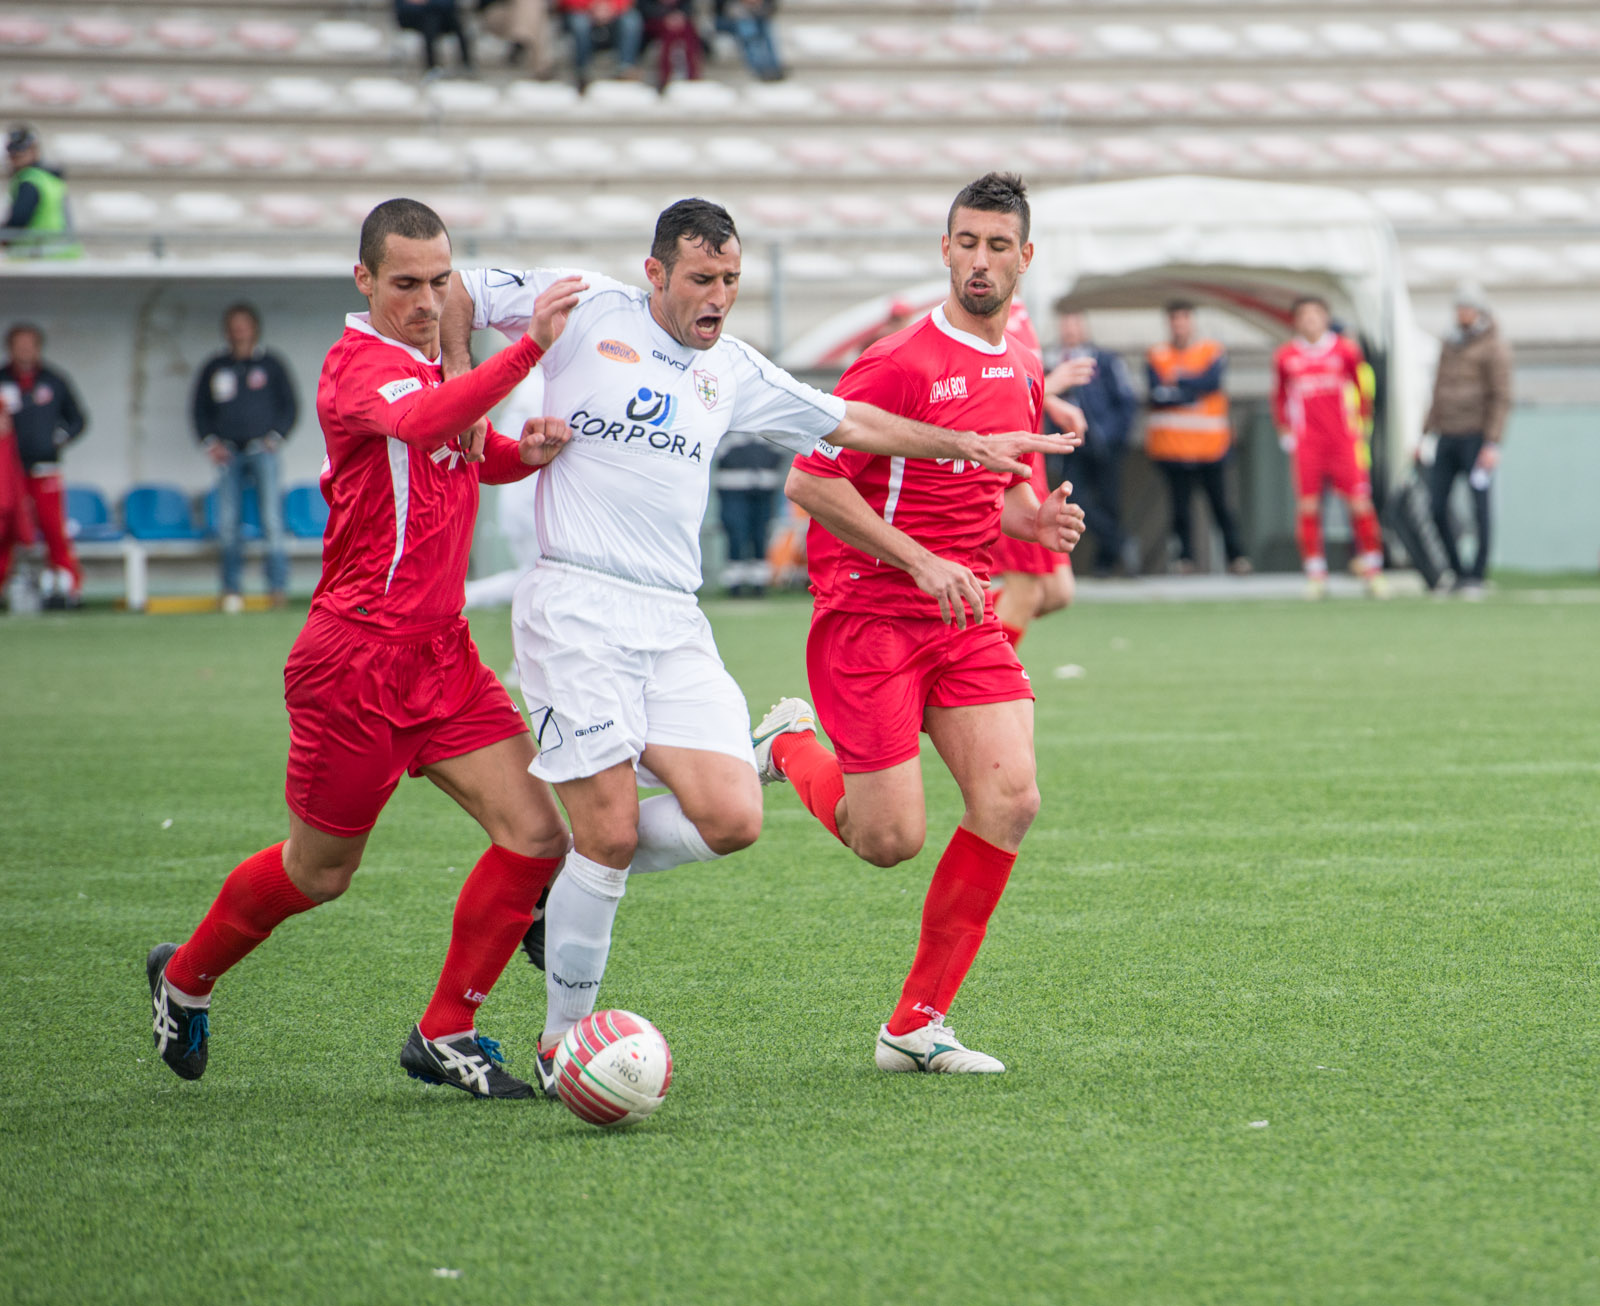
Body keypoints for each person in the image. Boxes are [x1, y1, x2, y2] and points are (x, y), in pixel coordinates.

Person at [442, 196, 1080, 1094]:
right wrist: (467, 392)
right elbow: (459, 288)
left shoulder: (732, 369)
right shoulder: (589, 307)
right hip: (590, 602)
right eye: (703, 280)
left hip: (682, 615)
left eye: (732, 281)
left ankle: (911, 1015)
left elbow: (849, 427)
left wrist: (978, 457)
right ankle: (564, 1042)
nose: (719, 298)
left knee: (744, 820)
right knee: (622, 833)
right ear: (657, 273)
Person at [146, 198, 587, 1100]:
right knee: (321, 872)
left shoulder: (433, 366)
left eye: (438, 281)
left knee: (539, 832)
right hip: (355, 664)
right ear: (364, 281)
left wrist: (522, 454)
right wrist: (529, 350)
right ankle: (184, 977)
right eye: (405, 284)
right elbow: (426, 426)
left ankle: (447, 1029)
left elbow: (460, 448)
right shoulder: (357, 368)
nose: (427, 301)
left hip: (441, 654)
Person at [753, 173, 1088, 1075]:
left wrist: (1035, 520)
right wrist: (918, 559)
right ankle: (789, 741)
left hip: (965, 616)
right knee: (888, 840)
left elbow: (991, 498)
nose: (980, 261)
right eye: (966, 243)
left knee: (1012, 800)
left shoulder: (1020, 359)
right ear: (945, 250)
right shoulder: (897, 363)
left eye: (997, 245)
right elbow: (810, 484)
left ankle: (916, 1024)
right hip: (871, 615)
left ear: (1025, 258)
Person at [1272, 296, 1387, 599]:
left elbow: (1364, 388)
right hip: (1308, 443)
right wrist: (1285, 430)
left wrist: (1361, 424)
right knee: (1308, 507)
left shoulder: (1345, 351)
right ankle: (1315, 574)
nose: (1310, 321)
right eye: (1304, 316)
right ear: (1296, 321)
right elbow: (1280, 396)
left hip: (1342, 441)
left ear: (1325, 318)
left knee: (1359, 504)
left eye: (1316, 315)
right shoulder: (1286, 357)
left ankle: (1373, 570)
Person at [191, 304, 299, 612]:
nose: (239, 331)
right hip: (228, 455)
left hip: (261, 453)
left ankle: (277, 590)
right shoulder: (215, 366)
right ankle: (231, 590)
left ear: (255, 327)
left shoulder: (271, 364)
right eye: (234, 325)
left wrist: (275, 438)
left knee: (272, 520)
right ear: (227, 330)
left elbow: (290, 407)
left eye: (244, 324)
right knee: (227, 523)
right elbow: (199, 410)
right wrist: (209, 443)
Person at [992, 300, 1086, 649]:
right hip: (1013, 473)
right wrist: (1050, 386)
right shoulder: (988, 310)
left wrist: (1049, 400)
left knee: (1058, 592)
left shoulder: (1020, 311)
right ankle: (984, 686)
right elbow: (991, 385)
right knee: (1026, 591)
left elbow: (1020, 384)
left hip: (1036, 470)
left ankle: (962, 624)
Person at [1145, 301, 1250, 574]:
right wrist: (1191, 387)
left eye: (1183, 319)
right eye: (1174, 320)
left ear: (1192, 322)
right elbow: (1156, 393)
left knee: (1221, 506)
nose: (1179, 325)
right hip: (1172, 447)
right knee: (1180, 508)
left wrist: (1178, 383)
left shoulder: (1211, 350)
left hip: (1209, 447)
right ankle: (1185, 558)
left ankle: (1236, 556)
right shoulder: (1157, 354)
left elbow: (1211, 382)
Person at [1423, 281, 1512, 598]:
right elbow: (1438, 390)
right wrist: (1425, 431)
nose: (1463, 313)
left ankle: (1476, 574)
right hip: (1447, 434)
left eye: (1468, 308)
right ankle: (1456, 570)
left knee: (1479, 508)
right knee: (1435, 506)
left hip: (1476, 436)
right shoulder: (1449, 343)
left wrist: (1492, 442)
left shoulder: (1494, 347)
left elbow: (1501, 397)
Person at [0, 324, 87, 607]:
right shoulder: (2, 379)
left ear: (38, 347)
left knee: (53, 528)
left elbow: (78, 420)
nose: (24, 350)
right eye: (18, 344)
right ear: (9, 347)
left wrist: (56, 439)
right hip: (7, 472)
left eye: (30, 344)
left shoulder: (54, 380)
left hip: (44, 468)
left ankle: (67, 588)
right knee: (5, 529)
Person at [1052, 307, 1139, 577]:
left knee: (1110, 501)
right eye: (1065, 324)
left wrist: (1112, 435)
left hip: (1104, 443)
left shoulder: (1104, 360)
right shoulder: (1051, 362)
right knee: (1076, 500)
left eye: (1074, 323)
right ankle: (1119, 543)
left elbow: (1126, 400)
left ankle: (1106, 561)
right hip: (1070, 447)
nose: (1070, 330)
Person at [713, 431, 784, 596]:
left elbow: (779, 451)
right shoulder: (729, 428)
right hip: (733, 490)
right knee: (736, 533)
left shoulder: (768, 428)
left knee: (760, 535)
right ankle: (735, 583)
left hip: (764, 490)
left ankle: (758, 583)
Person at [4, 125, 80, 259]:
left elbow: (18, 221)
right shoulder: (51, 179)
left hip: (38, 258)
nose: (14, 159)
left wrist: (4, 237)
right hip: (64, 257)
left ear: (34, 151)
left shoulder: (29, 181)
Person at [559, 0, 646, 89]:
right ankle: (582, 73)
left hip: (614, 11)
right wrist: (590, 7)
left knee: (631, 20)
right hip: (582, 11)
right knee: (579, 24)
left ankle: (626, 70)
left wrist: (612, 7)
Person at [393, 0, 473, 75]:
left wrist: (426, 3)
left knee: (456, 24)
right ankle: (431, 67)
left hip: (440, 17)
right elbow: (402, 9)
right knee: (430, 23)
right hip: (417, 19)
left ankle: (466, 65)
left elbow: (449, 5)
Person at [479, 0, 556, 75]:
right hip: (495, 14)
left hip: (527, 19)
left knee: (536, 9)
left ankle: (521, 41)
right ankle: (539, 63)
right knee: (533, 9)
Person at [713, 0, 783, 81]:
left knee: (766, 30)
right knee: (748, 30)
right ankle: (759, 68)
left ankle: (773, 66)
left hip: (759, 12)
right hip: (734, 15)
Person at [640, 0, 703, 88]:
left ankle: (692, 75)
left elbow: (688, 6)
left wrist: (680, 15)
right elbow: (644, 7)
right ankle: (665, 78)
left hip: (678, 18)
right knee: (669, 33)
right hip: (654, 19)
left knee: (689, 30)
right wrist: (665, 16)